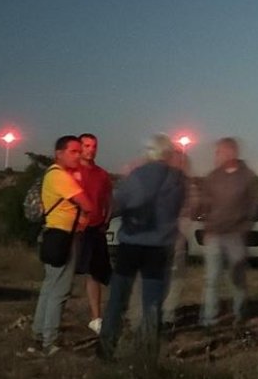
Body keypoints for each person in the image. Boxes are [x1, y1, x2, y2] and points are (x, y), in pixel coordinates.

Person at [98, 135, 187, 361]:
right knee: (153, 303)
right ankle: (147, 354)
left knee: (118, 298)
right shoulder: (178, 180)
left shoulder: (137, 176)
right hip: (160, 248)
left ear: (149, 152)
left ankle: (106, 348)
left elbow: (115, 205)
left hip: (132, 244)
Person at [30, 136, 95, 355]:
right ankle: (50, 341)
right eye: (74, 151)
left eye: (79, 151)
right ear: (59, 153)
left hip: (53, 235)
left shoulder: (53, 174)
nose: (79, 155)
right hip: (64, 237)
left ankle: (39, 335)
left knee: (50, 287)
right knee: (60, 291)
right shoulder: (61, 176)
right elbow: (87, 203)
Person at [199, 137, 258, 327]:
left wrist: (244, 229)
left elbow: (253, 206)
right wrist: (206, 224)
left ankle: (239, 313)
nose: (216, 155)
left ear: (231, 152)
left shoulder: (247, 177)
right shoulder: (213, 177)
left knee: (237, 279)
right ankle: (209, 319)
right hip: (214, 235)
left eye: (220, 152)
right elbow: (205, 203)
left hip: (236, 236)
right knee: (211, 279)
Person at [71, 133, 113, 335]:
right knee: (67, 271)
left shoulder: (102, 174)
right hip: (75, 229)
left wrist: (106, 220)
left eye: (94, 145)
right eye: (86, 145)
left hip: (95, 228)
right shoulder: (70, 171)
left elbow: (108, 199)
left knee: (95, 273)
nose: (91, 149)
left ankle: (96, 318)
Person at [161, 149, 198, 328]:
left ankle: (167, 314)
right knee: (163, 275)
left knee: (175, 277)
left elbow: (192, 207)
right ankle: (160, 313)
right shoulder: (164, 181)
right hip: (162, 236)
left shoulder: (185, 183)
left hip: (176, 235)